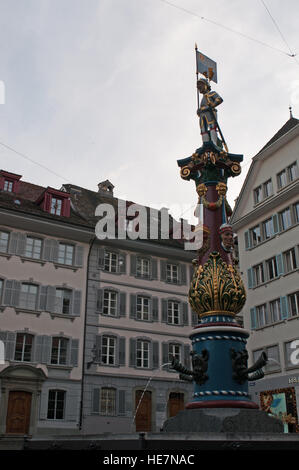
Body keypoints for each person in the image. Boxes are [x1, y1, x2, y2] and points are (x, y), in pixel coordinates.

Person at [197, 78, 223, 147]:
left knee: (212, 127)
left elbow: (219, 99)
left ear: (206, 85)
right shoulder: (203, 97)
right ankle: (205, 143)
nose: (199, 87)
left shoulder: (212, 93)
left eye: (201, 84)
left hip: (209, 112)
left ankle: (214, 143)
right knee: (203, 129)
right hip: (203, 114)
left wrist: (212, 105)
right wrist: (199, 111)